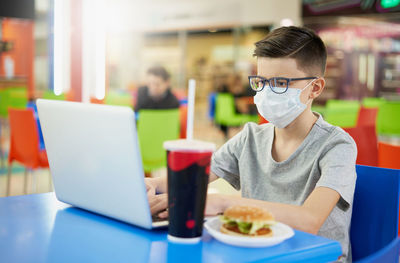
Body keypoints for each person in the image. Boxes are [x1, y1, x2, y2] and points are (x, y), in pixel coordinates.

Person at [146, 26, 356, 263]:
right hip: (258, 255)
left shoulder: (337, 146)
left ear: (315, 88)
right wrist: (153, 184)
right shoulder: (250, 137)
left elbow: (310, 220)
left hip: (314, 258)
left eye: (279, 82)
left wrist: (225, 203)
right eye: (261, 82)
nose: (267, 92)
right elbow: (197, 176)